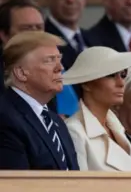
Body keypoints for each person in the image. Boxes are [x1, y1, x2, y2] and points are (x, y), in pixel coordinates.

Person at [62, 46, 131, 171]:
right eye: (111, 75)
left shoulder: (117, 127)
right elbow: (79, 187)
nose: (121, 83)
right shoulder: (74, 131)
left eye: (123, 74)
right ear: (86, 84)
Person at [0, 31, 79, 170]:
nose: (60, 68)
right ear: (21, 73)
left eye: (59, 59)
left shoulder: (56, 121)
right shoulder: (5, 118)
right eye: (49, 60)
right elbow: (16, 187)